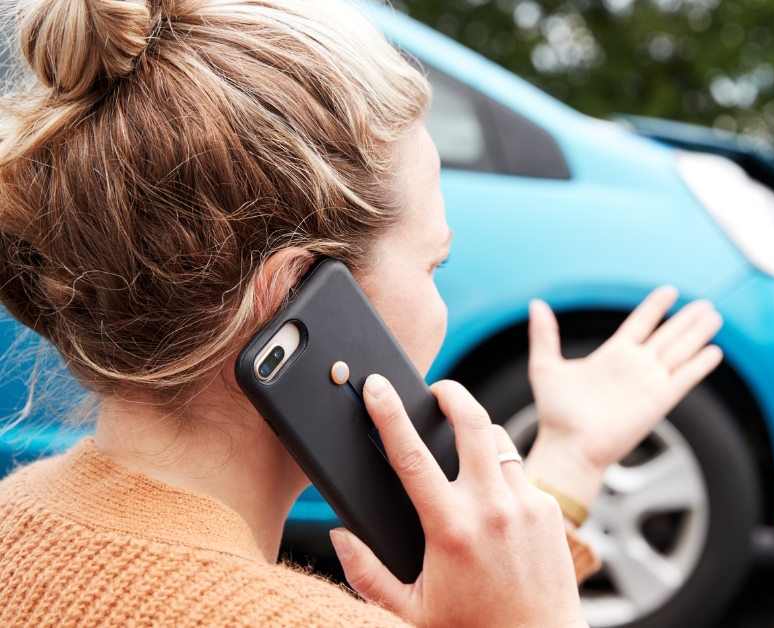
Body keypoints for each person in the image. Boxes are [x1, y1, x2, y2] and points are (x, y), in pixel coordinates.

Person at [0, 0, 726, 625]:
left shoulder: (18, 517)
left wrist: (569, 458)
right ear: (291, 300)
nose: (439, 297)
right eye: (432, 264)